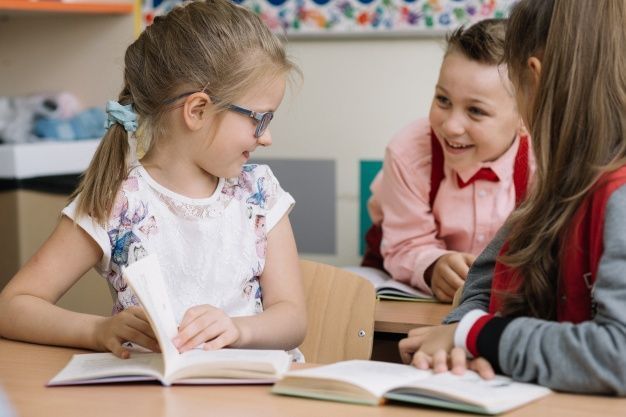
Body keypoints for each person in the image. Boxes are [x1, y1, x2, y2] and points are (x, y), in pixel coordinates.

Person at [0, 0, 307, 361]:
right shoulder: (117, 201)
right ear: (197, 110)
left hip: (253, 394)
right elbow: (13, 306)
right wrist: (96, 331)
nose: (266, 137)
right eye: (260, 119)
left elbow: (293, 318)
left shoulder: (260, 194)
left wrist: (240, 330)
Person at [399, 0, 626, 395]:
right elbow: (484, 282)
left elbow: (618, 355)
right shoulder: (558, 186)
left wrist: (477, 335)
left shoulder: (616, 196)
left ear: (533, 80)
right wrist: (460, 331)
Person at [361, 18, 533, 302]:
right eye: (443, 100)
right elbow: (405, 243)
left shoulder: (546, 161)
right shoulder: (408, 152)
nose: (451, 126)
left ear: (526, 119)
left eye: (476, 110)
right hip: (405, 271)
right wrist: (432, 266)